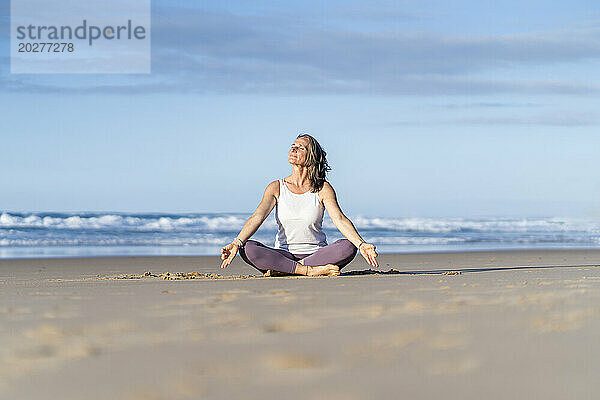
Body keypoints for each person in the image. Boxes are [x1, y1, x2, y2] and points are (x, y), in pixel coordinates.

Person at [220, 134, 379, 277]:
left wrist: (361, 244)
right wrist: (236, 242)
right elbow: (257, 217)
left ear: (311, 156)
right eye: (292, 147)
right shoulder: (276, 187)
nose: (293, 149)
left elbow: (339, 219)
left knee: (348, 246)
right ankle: (308, 271)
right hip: (283, 255)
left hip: (317, 255)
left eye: (300, 147)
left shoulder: (322, 188)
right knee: (247, 248)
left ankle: (286, 269)